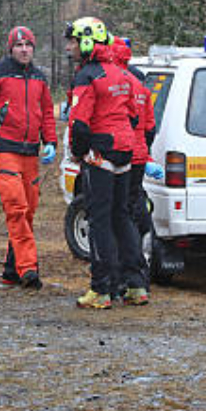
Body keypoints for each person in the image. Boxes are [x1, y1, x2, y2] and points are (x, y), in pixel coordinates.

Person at [0, 26, 57, 290]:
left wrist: (50, 141)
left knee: (28, 211)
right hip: (3, 150)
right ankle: (29, 268)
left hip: (30, 152)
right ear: (11, 48)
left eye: (28, 45)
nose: (24, 50)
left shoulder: (40, 78)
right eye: (19, 46)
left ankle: (11, 269)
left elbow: (47, 113)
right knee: (16, 209)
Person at [66, 17, 140, 309]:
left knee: (99, 222)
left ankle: (101, 289)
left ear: (86, 42)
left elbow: (80, 122)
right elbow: (133, 115)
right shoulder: (122, 74)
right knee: (122, 217)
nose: (70, 47)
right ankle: (135, 285)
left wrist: (78, 151)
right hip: (125, 150)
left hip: (101, 152)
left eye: (73, 40)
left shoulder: (87, 76)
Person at [111, 37, 163, 302]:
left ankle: (125, 279)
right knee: (136, 213)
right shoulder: (141, 88)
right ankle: (138, 279)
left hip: (120, 157)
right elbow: (150, 127)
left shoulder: (116, 83)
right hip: (139, 157)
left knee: (118, 218)